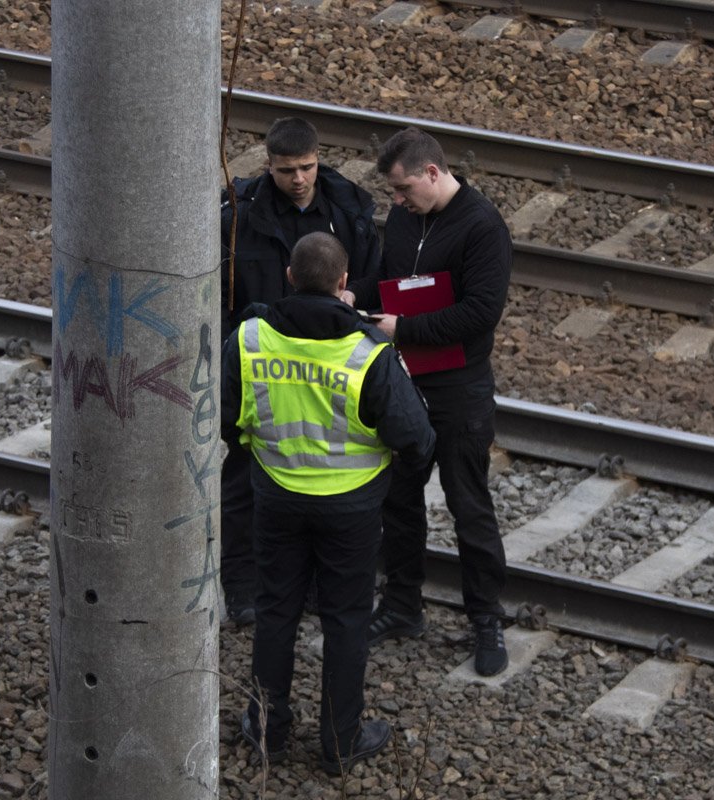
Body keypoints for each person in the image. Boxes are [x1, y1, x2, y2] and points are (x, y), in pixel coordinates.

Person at [221, 231, 435, 773]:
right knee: (345, 621)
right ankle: (341, 743)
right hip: (352, 508)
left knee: (275, 611)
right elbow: (417, 438)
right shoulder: (369, 351)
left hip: (276, 496)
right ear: (344, 283)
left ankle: (267, 731)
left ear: (289, 277)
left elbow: (224, 418)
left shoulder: (250, 339)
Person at [343, 127, 512, 677]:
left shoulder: (482, 227)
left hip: (460, 389)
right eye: (393, 192)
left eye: (402, 188)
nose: (396, 201)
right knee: (399, 498)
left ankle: (485, 619)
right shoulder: (404, 218)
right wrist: (355, 293)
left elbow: (480, 313)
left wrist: (404, 329)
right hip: (405, 381)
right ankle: (402, 606)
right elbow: (392, 280)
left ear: (433, 173)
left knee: (469, 505)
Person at [219, 116, 381, 626]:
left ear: (318, 159)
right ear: (268, 164)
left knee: (318, 483)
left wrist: (353, 297)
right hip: (263, 365)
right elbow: (221, 292)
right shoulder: (239, 215)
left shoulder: (349, 210)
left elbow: (374, 276)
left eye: (307, 167)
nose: (299, 179)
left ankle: (310, 586)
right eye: (287, 170)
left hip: (328, 366)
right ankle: (243, 588)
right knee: (244, 482)